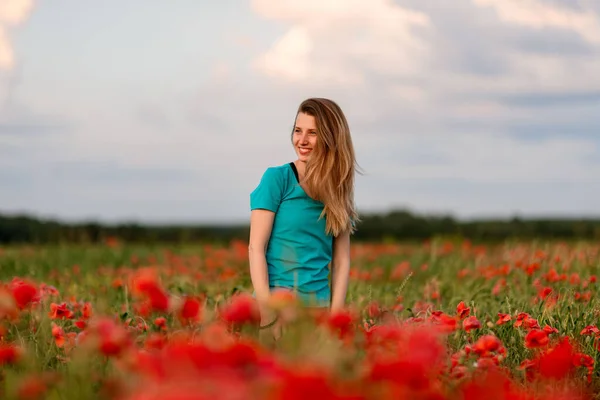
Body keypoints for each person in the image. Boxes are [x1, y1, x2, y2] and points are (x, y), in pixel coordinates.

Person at [248, 97, 359, 337]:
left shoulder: (338, 189)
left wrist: (335, 318)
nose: (302, 140)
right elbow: (256, 248)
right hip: (278, 309)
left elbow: (341, 261)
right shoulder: (277, 179)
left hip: (317, 311)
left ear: (331, 138)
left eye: (313, 133)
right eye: (298, 131)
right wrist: (267, 312)